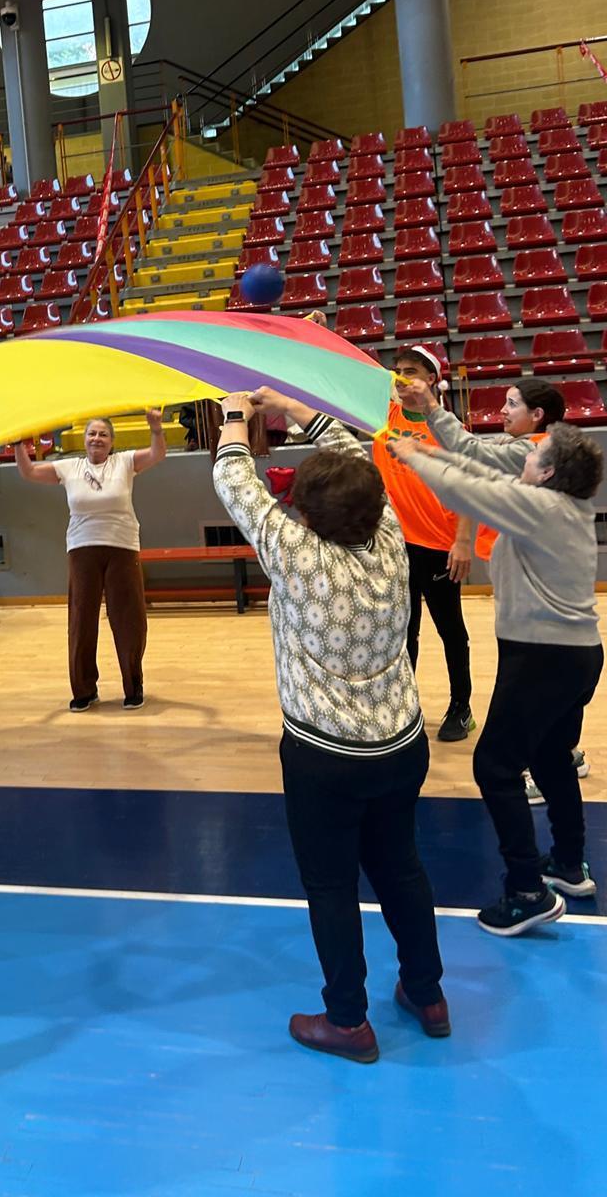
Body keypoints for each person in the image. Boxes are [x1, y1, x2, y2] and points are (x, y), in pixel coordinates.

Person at [214, 387, 446, 1065]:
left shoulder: (296, 552)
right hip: (401, 744)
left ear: (307, 513)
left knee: (331, 885)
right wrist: (295, 407)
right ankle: (427, 995)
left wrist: (235, 413)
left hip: (326, 758)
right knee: (402, 868)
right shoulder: (392, 536)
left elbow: (234, 478)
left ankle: (348, 1021)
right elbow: (350, 457)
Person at [386, 421, 604, 936]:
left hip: (542, 658)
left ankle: (527, 890)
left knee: (495, 767)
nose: (523, 458)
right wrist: (424, 447)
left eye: (533, 455)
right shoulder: (558, 503)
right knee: (551, 758)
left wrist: (415, 459)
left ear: (547, 472)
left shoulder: (539, 508)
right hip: (575, 656)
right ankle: (569, 865)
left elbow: (466, 489)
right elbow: (481, 470)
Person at [396, 373, 588, 799]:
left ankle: (546, 765)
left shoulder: (533, 452)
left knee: (526, 700)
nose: (501, 410)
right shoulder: (533, 448)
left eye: (512, 404)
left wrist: (428, 413)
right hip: (548, 618)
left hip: (541, 623)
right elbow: (475, 456)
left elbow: (471, 456)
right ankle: (562, 754)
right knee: (552, 690)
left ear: (537, 416)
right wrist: (424, 448)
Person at [15, 412, 166, 711]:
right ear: (84, 440)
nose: (97, 438)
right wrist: (20, 443)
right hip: (82, 548)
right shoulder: (69, 467)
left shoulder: (124, 463)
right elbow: (29, 472)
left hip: (122, 547)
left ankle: (133, 687)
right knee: (81, 620)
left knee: (129, 621)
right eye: (92, 434)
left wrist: (156, 428)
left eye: (103, 434)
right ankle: (84, 690)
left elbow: (157, 453)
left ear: (112, 441)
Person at [370, 346, 475, 742]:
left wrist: (463, 541)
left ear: (432, 379)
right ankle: (404, 706)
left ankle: (461, 707)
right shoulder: (383, 417)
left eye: (410, 371)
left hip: (439, 545)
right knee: (403, 632)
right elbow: (345, 376)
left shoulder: (449, 430)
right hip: (394, 546)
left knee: (451, 630)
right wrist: (317, 332)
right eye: (397, 372)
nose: (400, 378)